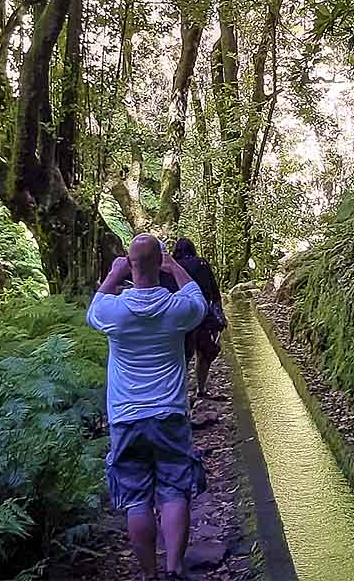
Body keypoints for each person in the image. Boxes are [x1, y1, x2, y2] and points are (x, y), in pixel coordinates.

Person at [87, 234, 207, 581]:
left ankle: (149, 573)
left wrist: (113, 273)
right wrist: (175, 267)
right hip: (169, 414)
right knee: (173, 491)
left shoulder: (115, 312)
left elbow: (94, 309)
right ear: (160, 263)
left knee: (137, 498)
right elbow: (197, 299)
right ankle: (174, 567)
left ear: (130, 265)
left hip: (126, 418)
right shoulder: (176, 309)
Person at [172, 237, 225, 401]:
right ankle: (201, 389)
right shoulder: (201, 263)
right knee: (204, 353)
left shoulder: (172, 266)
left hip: (180, 315)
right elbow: (214, 291)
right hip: (203, 315)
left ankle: (180, 393)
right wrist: (220, 313)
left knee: (183, 357)